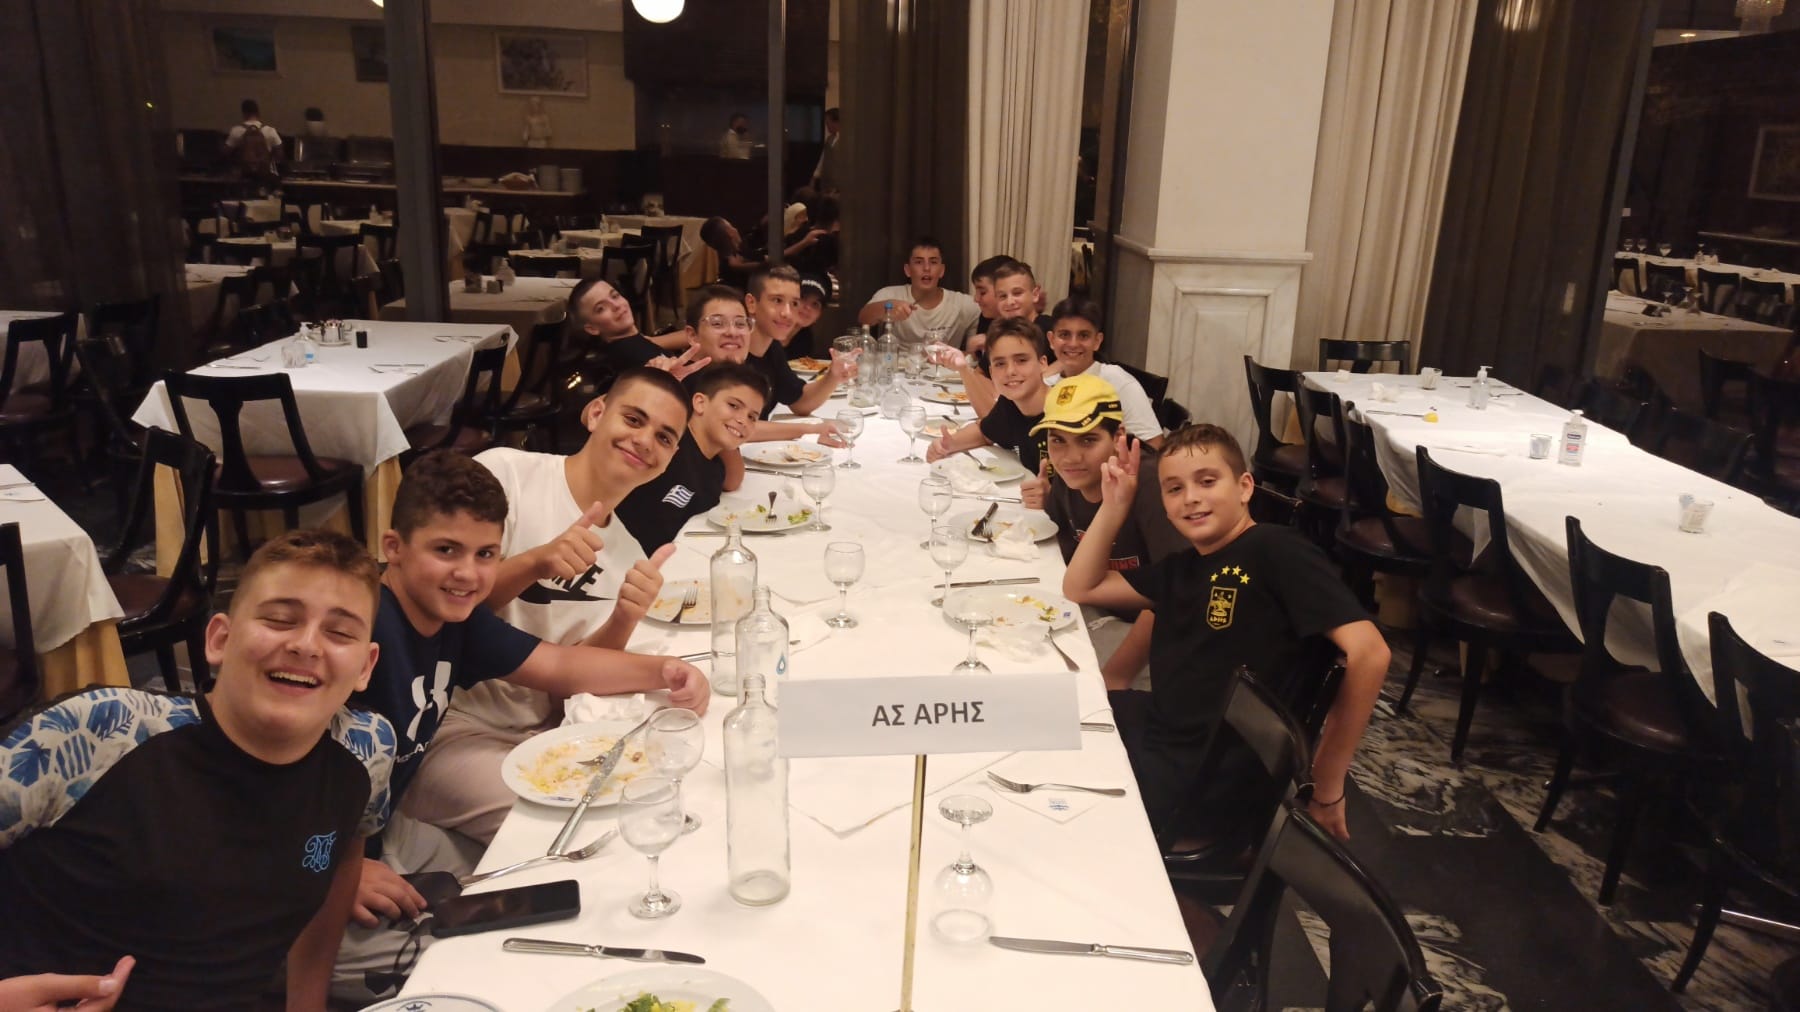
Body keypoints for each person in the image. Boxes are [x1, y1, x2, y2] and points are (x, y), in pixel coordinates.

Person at [332, 450, 708, 1001]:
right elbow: (264, 781)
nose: (467, 574)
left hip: (378, 836)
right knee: (477, 963)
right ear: (394, 547)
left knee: (544, 873)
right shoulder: (356, 631)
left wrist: (666, 671)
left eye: (485, 554)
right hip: (300, 878)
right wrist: (337, 873)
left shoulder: (454, 620)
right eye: (445, 550)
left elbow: (559, 665)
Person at [0, 530, 396, 1010]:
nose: (306, 645)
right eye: (279, 619)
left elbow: (345, 859)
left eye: (340, 633)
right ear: (219, 639)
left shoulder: (366, 749)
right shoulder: (96, 733)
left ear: (365, 666)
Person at [400, 368, 708, 850]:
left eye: (664, 437)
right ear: (596, 413)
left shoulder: (627, 551)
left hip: (547, 734)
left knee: (652, 798)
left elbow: (571, 675)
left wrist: (625, 618)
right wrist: (535, 562)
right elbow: (435, 601)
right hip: (445, 719)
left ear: (670, 459)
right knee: (576, 834)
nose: (645, 440)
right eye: (633, 419)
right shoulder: (507, 475)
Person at [1061, 424, 1390, 843]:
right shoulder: (1185, 566)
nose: (1190, 497)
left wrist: (1326, 788)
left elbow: (1371, 653)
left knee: (1038, 780)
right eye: (1174, 489)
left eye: (1207, 481)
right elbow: (1081, 587)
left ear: (1245, 487)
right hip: (1164, 731)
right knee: (1041, 715)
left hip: (1204, 775)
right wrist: (1114, 506)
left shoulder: (1274, 548)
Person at [1021, 375, 1184, 690]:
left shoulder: (1154, 488)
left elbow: (1176, 593)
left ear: (1118, 436)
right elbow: (1067, 562)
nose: (1071, 457)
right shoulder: (1067, 480)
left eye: (1087, 440)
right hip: (1098, 614)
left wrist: (1116, 675)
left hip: (1157, 636)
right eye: (1058, 440)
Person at [617, 363, 770, 550]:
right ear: (700, 403)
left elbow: (733, 481)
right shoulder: (666, 443)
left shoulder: (715, 469)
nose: (742, 420)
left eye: (752, 417)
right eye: (733, 406)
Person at [681, 283, 844, 446]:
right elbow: (734, 427)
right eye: (717, 323)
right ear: (692, 335)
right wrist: (809, 430)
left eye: (740, 324)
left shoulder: (740, 372)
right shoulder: (683, 384)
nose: (732, 332)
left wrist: (834, 375)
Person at [925, 319, 1051, 473]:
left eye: (1021, 360)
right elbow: (985, 433)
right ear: (991, 372)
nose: (1010, 371)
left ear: (1042, 363)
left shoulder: (1064, 412)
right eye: (1000, 364)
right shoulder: (1010, 404)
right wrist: (949, 444)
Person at [1042, 298, 1165, 448]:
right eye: (1064, 335)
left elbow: (1154, 444)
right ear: (1051, 340)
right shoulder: (1049, 385)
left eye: (1083, 335)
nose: (1073, 344)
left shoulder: (1118, 382)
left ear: (1097, 341)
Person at [746, 265, 855, 420]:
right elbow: (739, 425)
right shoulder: (732, 351)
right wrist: (807, 429)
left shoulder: (772, 348)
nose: (787, 313)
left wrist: (833, 376)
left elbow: (800, 402)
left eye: (794, 303)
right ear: (751, 303)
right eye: (777, 300)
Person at [857, 237, 982, 347]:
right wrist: (887, 307)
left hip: (944, 366)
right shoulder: (890, 294)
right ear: (907, 270)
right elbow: (863, 318)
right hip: (897, 364)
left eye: (933, 262)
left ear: (942, 270)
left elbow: (987, 312)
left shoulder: (961, 304)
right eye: (918, 262)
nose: (926, 268)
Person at [223, 98, 281, 183]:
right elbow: (280, 154)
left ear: (244, 113)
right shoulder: (270, 130)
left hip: (244, 174)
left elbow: (225, 152)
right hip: (263, 174)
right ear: (258, 113)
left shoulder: (236, 130)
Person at [789, 273, 830, 358]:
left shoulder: (805, 339)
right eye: (803, 298)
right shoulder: (768, 334)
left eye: (815, 304)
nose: (807, 307)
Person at [811, 106, 841, 193]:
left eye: (828, 123)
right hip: (825, 183)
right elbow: (822, 159)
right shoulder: (829, 139)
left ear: (836, 122)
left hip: (838, 185)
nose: (827, 126)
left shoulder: (847, 141)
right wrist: (814, 176)